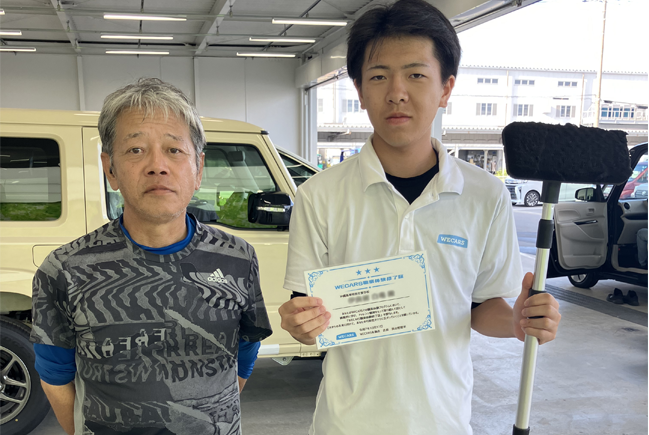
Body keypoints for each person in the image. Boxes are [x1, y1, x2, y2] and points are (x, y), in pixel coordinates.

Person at [278, 1, 561, 434]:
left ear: (446, 88)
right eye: (378, 76)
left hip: (443, 422)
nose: (396, 92)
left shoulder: (484, 195)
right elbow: (309, 312)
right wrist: (300, 325)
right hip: (345, 423)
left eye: (415, 74)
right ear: (359, 90)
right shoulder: (320, 195)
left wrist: (518, 321)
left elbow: (481, 307)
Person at [30, 78, 272, 435]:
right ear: (110, 169)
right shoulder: (64, 270)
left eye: (174, 150)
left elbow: (245, 353)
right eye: (135, 150)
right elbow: (55, 376)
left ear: (198, 168)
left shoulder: (238, 257)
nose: (157, 165)